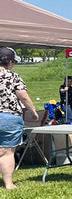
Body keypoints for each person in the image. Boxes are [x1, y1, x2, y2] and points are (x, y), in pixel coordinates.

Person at [1, 47, 41, 190]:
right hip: (9, 117)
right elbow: (23, 96)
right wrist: (34, 111)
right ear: (10, 62)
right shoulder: (13, 77)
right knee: (7, 152)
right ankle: (8, 184)